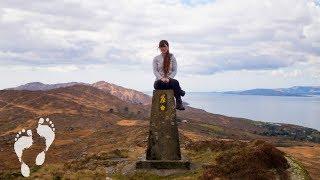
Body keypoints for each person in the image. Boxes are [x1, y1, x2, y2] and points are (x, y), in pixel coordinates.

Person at [153, 40, 186, 110]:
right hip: (159, 82)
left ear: (168, 47)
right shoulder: (156, 58)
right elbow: (155, 71)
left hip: (169, 81)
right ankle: (180, 92)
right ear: (159, 48)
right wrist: (161, 78)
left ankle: (179, 103)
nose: (163, 48)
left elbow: (175, 70)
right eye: (161, 47)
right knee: (175, 84)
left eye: (164, 46)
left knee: (175, 82)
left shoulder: (172, 57)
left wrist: (169, 78)